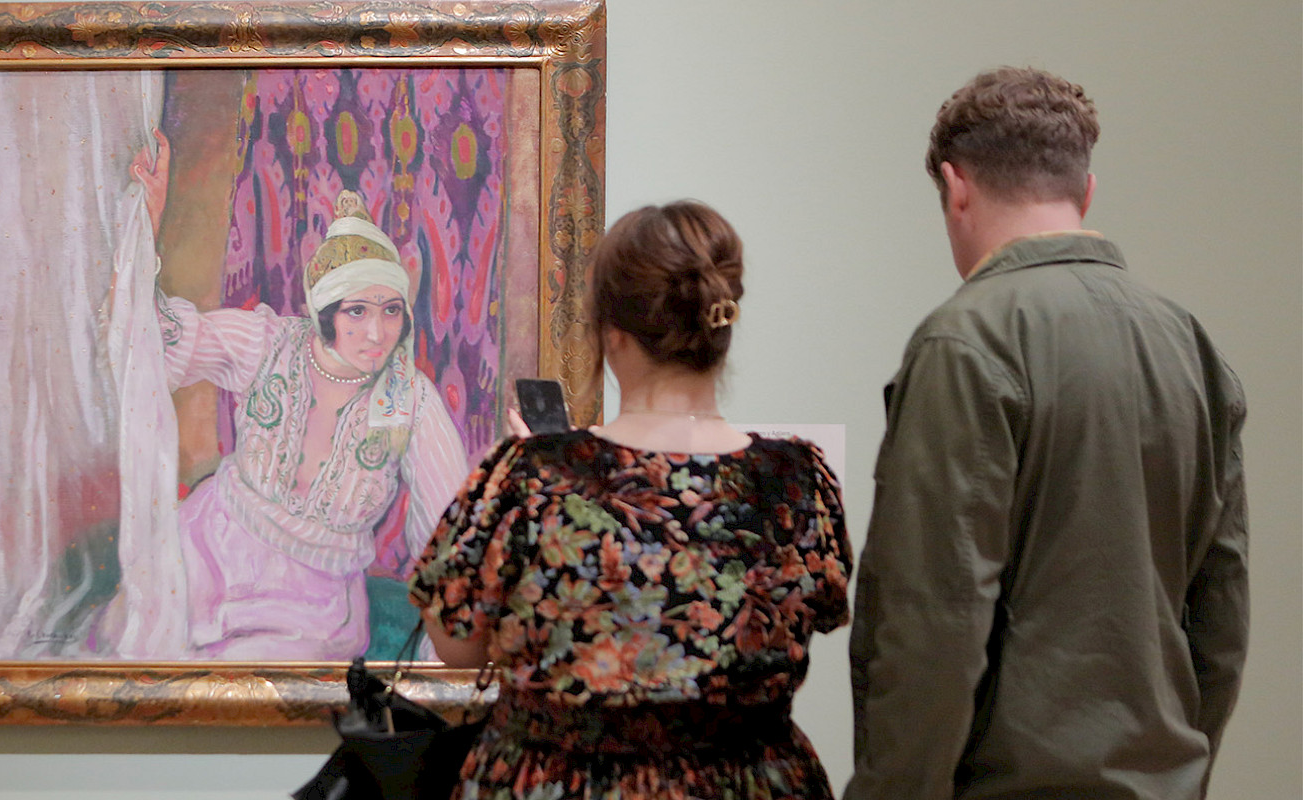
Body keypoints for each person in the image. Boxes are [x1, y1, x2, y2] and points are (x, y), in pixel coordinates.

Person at [845, 67, 1249, 799]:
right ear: (1085, 191)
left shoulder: (966, 342)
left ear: (956, 186)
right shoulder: (1190, 344)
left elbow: (937, 617)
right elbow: (1221, 610)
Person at [409, 201, 853, 799]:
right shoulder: (797, 481)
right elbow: (821, 613)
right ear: (721, 325)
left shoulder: (529, 477)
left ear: (611, 330)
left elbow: (455, 645)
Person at [99, 126, 470, 661]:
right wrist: (144, 233)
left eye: (391, 310)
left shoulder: (411, 402)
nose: (376, 332)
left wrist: (444, 661)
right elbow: (148, 346)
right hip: (204, 558)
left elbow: (449, 539)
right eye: (357, 310)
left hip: (312, 612)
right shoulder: (268, 342)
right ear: (324, 312)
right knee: (129, 655)